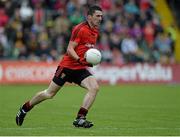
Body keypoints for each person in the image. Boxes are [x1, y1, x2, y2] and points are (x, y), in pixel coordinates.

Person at [15, 5, 103, 128]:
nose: (100, 18)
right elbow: (69, 49)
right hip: (67, 66)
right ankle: (25, 108)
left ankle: (80, 118)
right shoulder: (80, 29)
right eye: (97, 16)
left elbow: (86, 49)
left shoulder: (95, 31)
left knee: (94, 87)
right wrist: (79, 59)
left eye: (101, 16)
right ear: (89, 17)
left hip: (80, 68)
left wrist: (88, 60)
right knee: (49, 94)